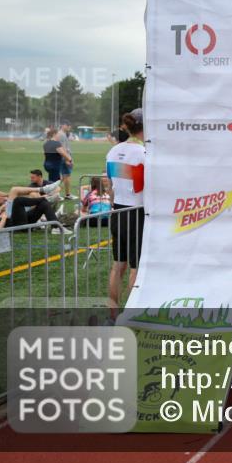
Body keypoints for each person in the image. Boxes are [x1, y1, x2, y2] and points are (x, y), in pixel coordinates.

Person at [106, 109, 146, 317]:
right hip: (136, 213)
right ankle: (132, 316)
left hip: (118, 211)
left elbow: (110, 186)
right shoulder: (143, 153)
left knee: (117, 266)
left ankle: (112, 313)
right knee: (135, 268)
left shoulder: (114, 151)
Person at [0, 182, 65, 233]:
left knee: (43, 204)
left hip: (19, 221)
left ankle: (55, 228)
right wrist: (3, 218)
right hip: (15, 225)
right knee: (18, 200)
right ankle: (45, 196)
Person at [55, 120, 76, 199]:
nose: (69, 127)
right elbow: (63, 148)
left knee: (63, 176)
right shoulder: (62, 135)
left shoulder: (61, 134)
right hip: (64, 158)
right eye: (68, 125)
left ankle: (57, 193)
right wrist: (68, 159)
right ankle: (66, 194)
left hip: (62, 157)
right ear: (64, 125)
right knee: (66, 176)